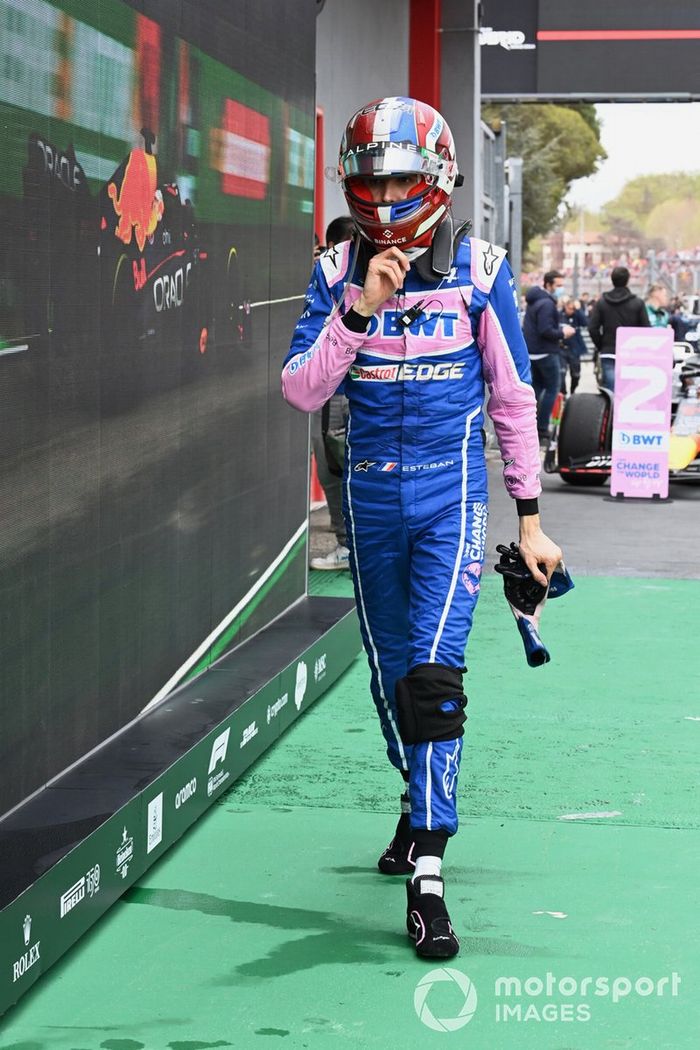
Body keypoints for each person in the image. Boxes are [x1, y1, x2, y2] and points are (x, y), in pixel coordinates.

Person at [281, 96, 562, 959]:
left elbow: (513, 402)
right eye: (371, 180)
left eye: (401, 178)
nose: (386, 194)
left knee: (436, 679)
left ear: (437, 179)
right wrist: (360, 309)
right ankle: (416, 804)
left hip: (451, 505)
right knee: (390, 680)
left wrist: (533, 519)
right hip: (367, 504)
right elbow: (300, 388)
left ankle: (429, 877)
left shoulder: (481, 273)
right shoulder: (336, 273)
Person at [309, 216, 356, 570]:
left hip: (338, 394)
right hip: (334, 391)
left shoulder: (345, 278)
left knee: (336, 470)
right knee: (335, 470)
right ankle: (351, 544)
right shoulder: (328, 276)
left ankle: (349, 545)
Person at [523, 271, 576, 442]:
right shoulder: (546, 303)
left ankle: (530, 425)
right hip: (546, 352)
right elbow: (545, 330)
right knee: (553, 389)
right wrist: (563, 332)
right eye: (558, 285)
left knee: (537, 389)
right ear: (548, 284)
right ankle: (542, 429)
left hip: (534, 352)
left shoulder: (535, 301)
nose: (561, 289)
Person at [588, 266, 649, 391]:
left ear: (612, 280)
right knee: (630, 392)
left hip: (608, 351)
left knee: (611, 392)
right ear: (628, 280)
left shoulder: (602, 302)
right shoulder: (638, 303)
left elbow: (592, 328)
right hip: (631, 353)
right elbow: (646, 330)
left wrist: (602, 345)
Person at [558, 297, 587, 395]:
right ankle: (563, 394)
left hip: (574, 350)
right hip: (561, 349)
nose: (571, 311)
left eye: (573, 309)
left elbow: (585, 322)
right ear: (565, 307)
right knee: (561, 374)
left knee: (576, 375)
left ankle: (572, 391)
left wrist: (578, 310)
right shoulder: (559, 315)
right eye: (569, 308)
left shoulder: (577, 315)